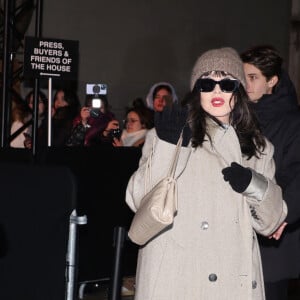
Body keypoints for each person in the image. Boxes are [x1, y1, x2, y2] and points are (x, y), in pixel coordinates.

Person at [125, 47, 287, 300]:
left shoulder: (258, 147)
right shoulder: (171, 134)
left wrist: (252, 185)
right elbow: (138, 200)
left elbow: (270, 222)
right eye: (208, 83)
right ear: (196, 90)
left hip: (234, 278)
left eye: (227, 84)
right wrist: (168, 149)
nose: (217, 91)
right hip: (177, 275)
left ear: (239, 90)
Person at [241, 45, 300, 300]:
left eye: (253, 77)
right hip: (239, 232)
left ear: (272, 81)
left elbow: (296, 173)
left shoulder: (291, 120)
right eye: (243, 77)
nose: (246, 84)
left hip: (273, 236)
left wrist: (282, 214)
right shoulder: (239, 114)